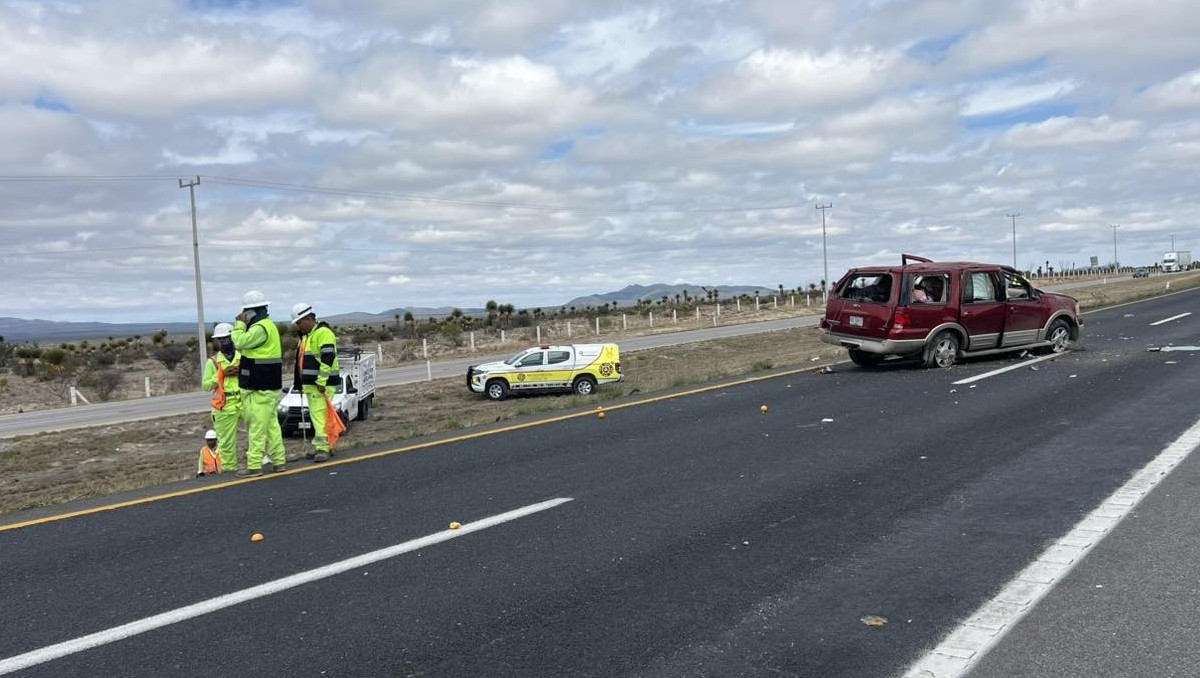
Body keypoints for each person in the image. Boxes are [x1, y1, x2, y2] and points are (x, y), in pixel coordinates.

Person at [231, 290, 287, 476]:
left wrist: (239, 325)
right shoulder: (268, 326)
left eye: (246, 312)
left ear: (253, 311)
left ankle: (254, 465)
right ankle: (279, 461)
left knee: (256, 427)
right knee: (271, 426)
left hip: (261, 385)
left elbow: (239, 342)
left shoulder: (259, 328)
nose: (244, 315)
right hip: (266, 384)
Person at [291, 302, 342, 462]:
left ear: (308, 318)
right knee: (319, 416)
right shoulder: (307, 336)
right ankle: (326, 446)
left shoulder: (323, 333)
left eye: (299, 323)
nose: (298, 326)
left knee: (320, 417)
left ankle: (323, 448)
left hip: (321, 385)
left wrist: (321, 380)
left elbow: (328, 358)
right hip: (313, 385)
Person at [201, 322, 241, 474]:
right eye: (221, 339)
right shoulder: (213, 362)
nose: (224, 342)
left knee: (258, 432)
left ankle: (260, 461)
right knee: (227, 443)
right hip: (224, 407)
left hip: (244, 402)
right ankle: (230, 472)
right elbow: (206, 386)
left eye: (227, 338)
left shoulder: (242, 357)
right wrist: (222, 374)